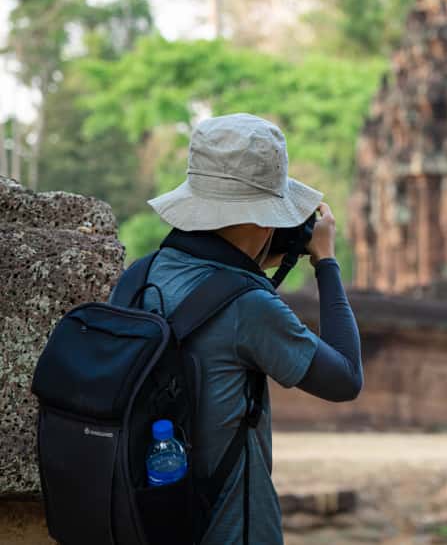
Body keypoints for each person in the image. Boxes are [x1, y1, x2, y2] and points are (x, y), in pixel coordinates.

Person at [109, 112, 363, 545]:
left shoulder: (139, 276)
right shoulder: (248, 306)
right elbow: (345, 377)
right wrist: (326, 261)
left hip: (144, 523)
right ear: (265, 219)